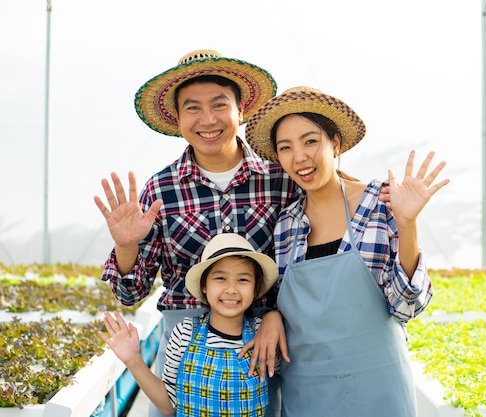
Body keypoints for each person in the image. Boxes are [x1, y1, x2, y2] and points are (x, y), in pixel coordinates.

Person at [93, 49, 299, 417]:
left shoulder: (279, 180)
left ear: (241, 110)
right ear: (177, 117)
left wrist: (275, 315)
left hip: (260, 346)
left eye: (219, 105)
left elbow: (300, 267)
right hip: (182, 347)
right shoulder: (160, 190)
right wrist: (125, 246)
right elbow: (131, 293)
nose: (207, 119)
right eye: (192, 108)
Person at [244, 86, 450, 417]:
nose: (299, 157)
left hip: (378, 390)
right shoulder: (285, 226)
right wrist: (271, 315)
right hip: (307, 393)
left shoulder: (380, 203)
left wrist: (407, 224)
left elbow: (406, 305)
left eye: (310, 141)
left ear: (335, 143)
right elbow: (285, 308)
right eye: (286, 147)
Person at [98, 233, 280, 417]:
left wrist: (275, 317)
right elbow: (169, 405)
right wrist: (133, 360)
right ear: (204, 286)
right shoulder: (185, 333)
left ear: (255, 288)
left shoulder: (262, 335)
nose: (231, 289)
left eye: (243, 280)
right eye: (220, 278)